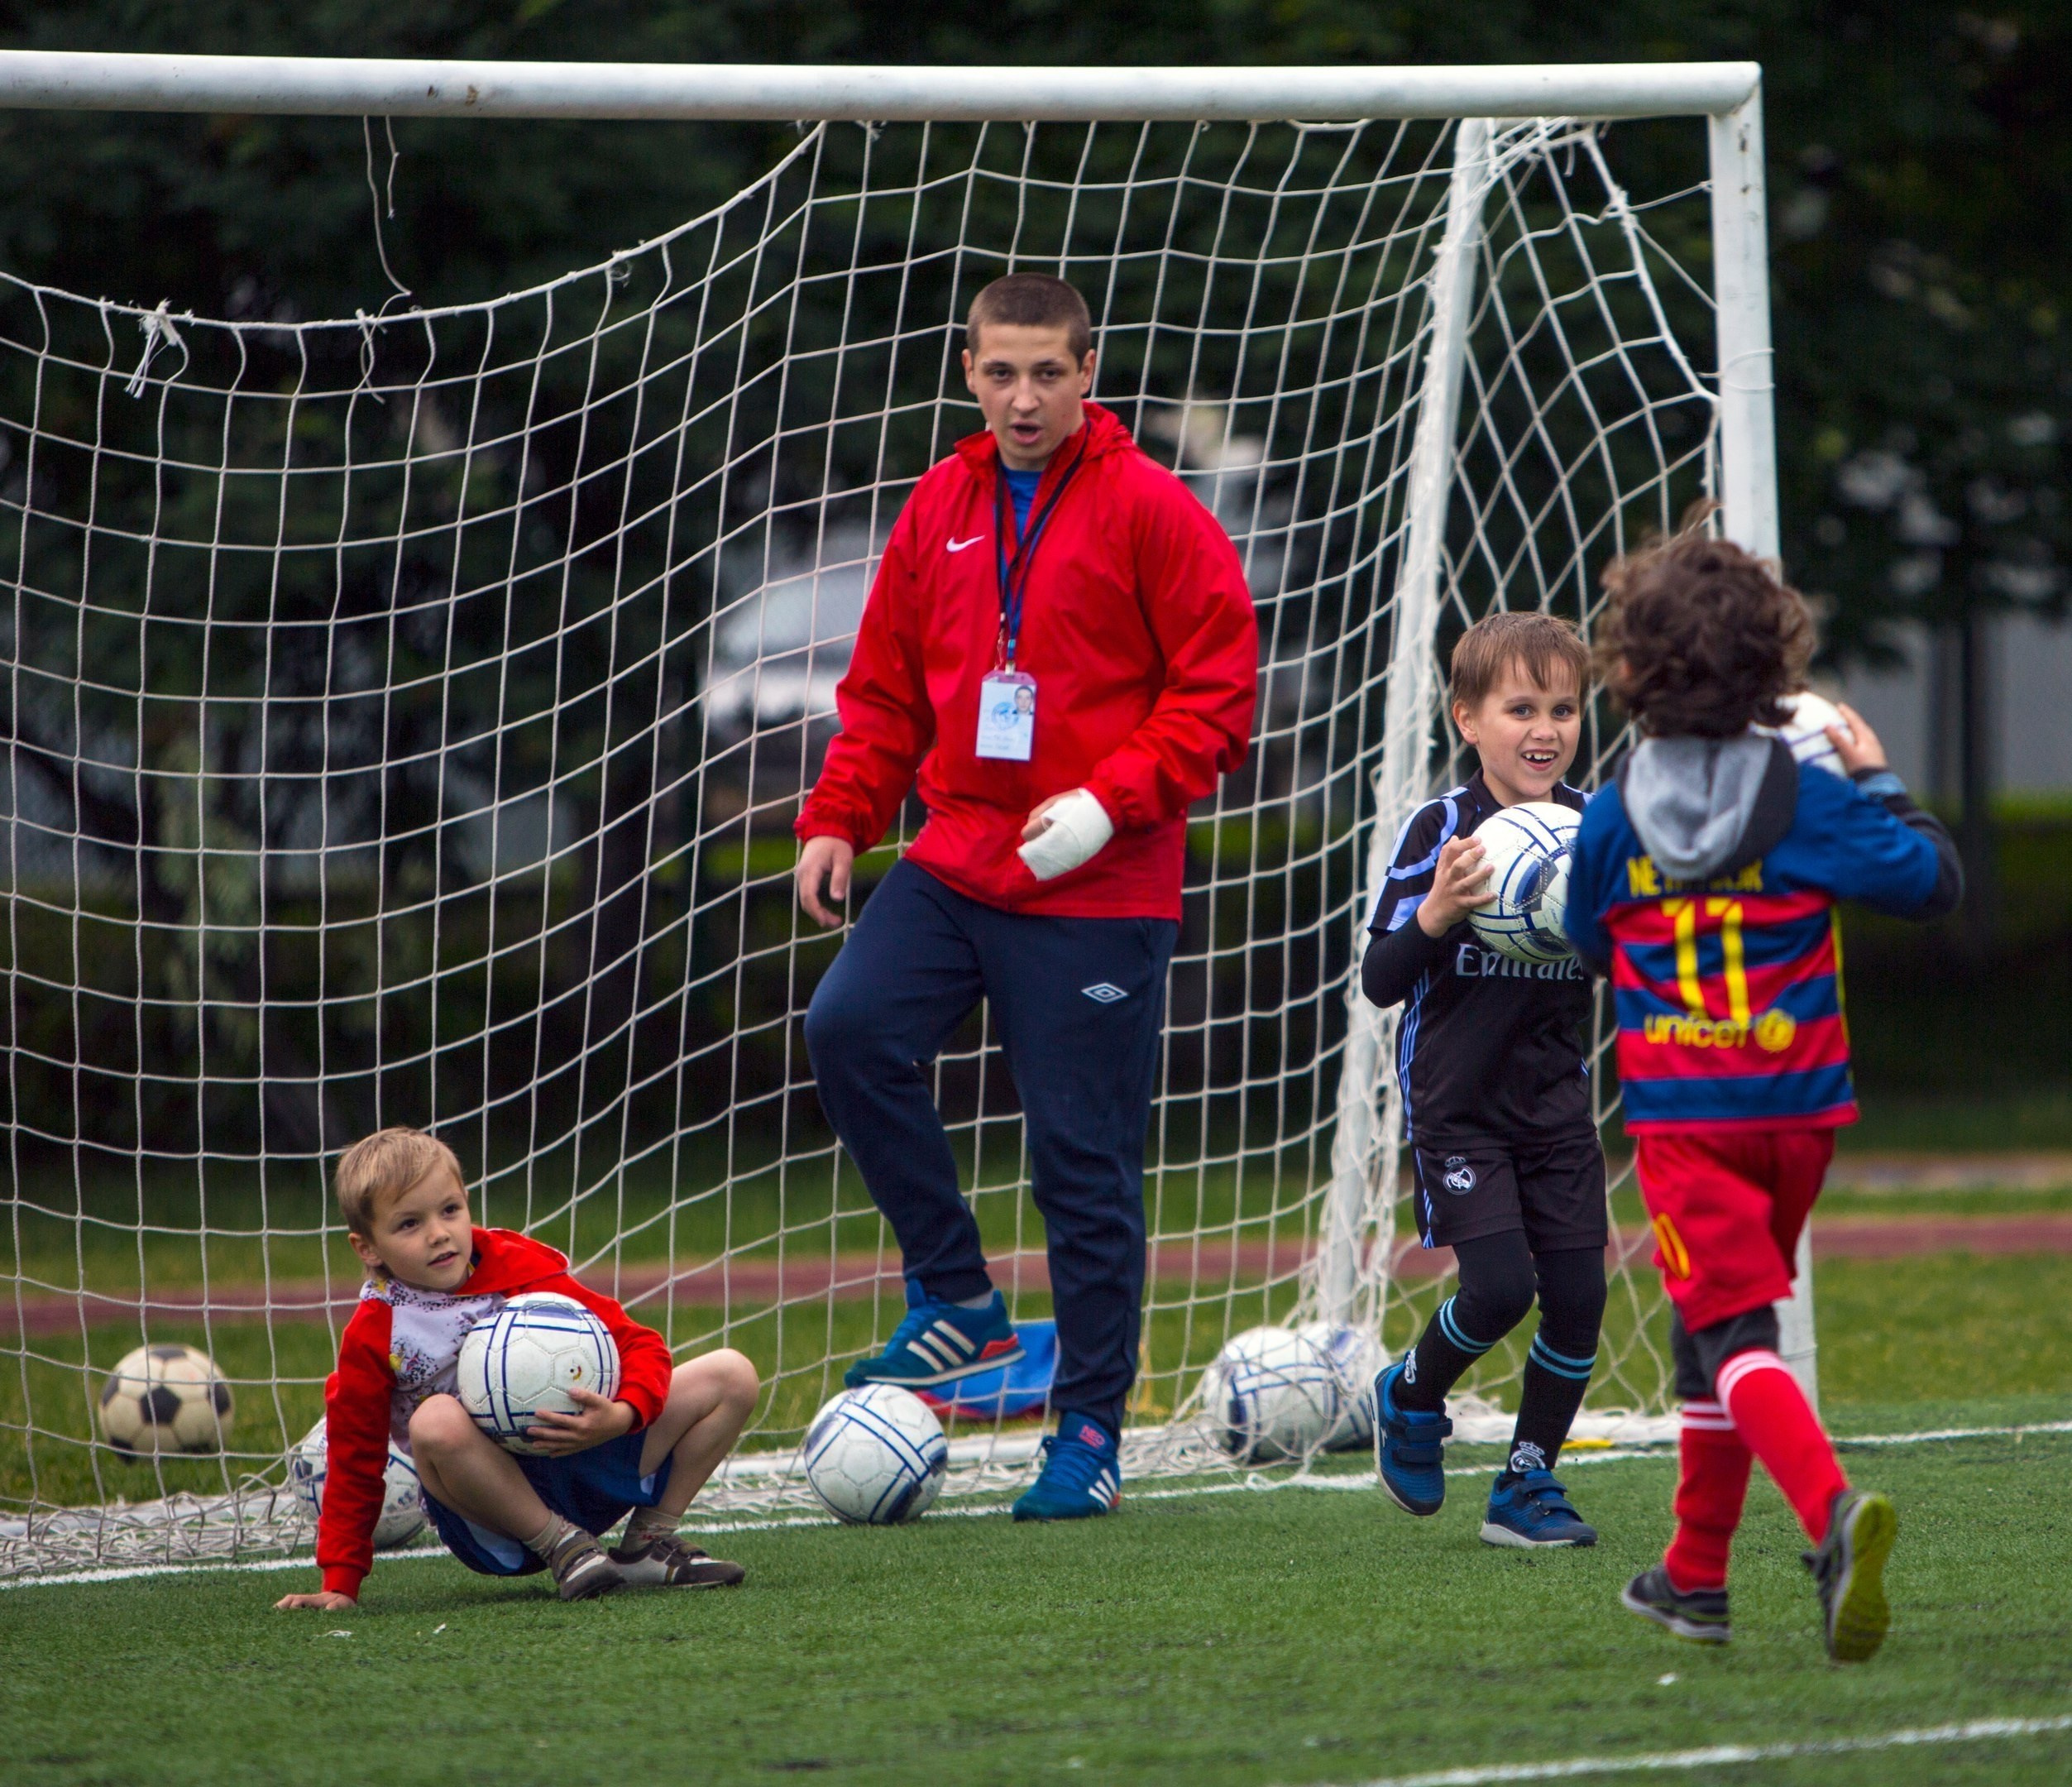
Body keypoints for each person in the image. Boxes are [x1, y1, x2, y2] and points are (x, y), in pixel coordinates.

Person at [794, 272, 1257, 1521]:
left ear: (1087, 374)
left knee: (1079, 1162)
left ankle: (1090, 1431)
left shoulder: (1152, 509)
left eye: (1048, 372)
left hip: (1102, 883)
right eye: (1000, 372)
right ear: (969, 372)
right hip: (958, 856)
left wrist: (1110, 799)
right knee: (848, 1029)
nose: (1023, 398)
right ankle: (958, 1297)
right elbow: (885, 687)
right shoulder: (939, 503)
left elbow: (1220, 691)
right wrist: (840, 816)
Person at [1564, 526, 1960, 1660]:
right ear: (1774, 667)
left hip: (1688, 1125)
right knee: (1713, 1336)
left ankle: (1831, 1515)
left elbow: (1590, 944)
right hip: (1799, 1116)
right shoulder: (1812, 800)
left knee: (1734, 1334)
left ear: (1628, 669)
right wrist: (1877, 776)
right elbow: (1933, 882)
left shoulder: (1612, 815)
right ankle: (1694, 1579)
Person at [275, 1128, 760, 1609]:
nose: (438, 1233)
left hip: (586, 1455)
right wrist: (341, 1581)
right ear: (367, 1248)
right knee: (434, 1419)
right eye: (409, 1224)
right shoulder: (376, 1332)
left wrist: (622, 1415)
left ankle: (647, 1545)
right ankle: (562, 1546)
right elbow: (353, 1457)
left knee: (731, 1375)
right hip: (497, 1518)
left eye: (450, 1210)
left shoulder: (518, 1267)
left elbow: (638, 1344)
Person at [1364, 611, 1609, 1547]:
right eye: (1520, 709)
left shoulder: (1595, 830)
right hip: (1458, 1107)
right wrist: (1436, 912)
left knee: (1579, 1298)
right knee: (1501, 1288)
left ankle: (1525, 1483)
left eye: (1563, 709)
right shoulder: (1443, 828)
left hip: (1554, 1106)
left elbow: (1629, 957)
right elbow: (1380, 979)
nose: (1544, 730)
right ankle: (1412, 1392)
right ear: (1467, 719)